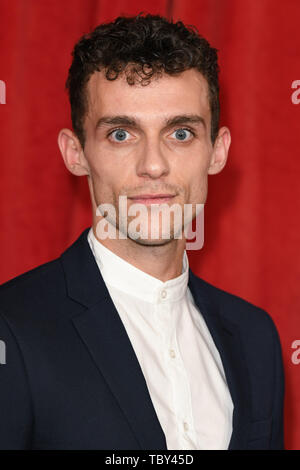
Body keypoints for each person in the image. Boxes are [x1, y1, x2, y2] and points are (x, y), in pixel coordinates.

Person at [0, 13, 284, 450]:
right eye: (121, 134)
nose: (154, 165)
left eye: (181, 133)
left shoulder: (255, 336)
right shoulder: (12, 327)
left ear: (218, 151)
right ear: (76, 154)